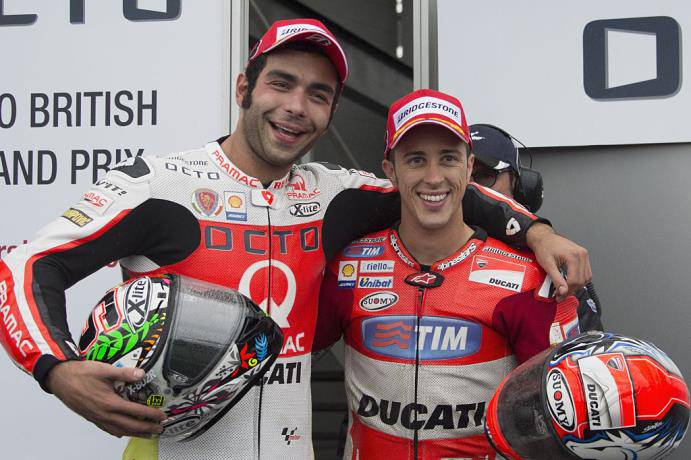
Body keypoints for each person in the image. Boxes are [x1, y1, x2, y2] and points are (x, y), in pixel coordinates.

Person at [0, 19, 589, 460]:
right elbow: (25, 266)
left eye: (318, 94)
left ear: (330, 112)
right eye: (281, 84)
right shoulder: (159, 186)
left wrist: (536, 231)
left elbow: (444, 190)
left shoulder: (334, 195)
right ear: (243, 87)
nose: (295, 108)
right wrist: (56, 369)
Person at [314, 89, 587, 459]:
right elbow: (291, 357)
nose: (433, 177)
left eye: (448, 158)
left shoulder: (528, 279)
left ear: (469, 167)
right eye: (416, 160)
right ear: (390, 170)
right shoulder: (348, 266)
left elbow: (566, 421)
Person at [470, 123, 604, 332]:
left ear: (520, 185)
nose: (471, 190)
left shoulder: (549, 259)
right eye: (462, 175)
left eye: (485, 177)